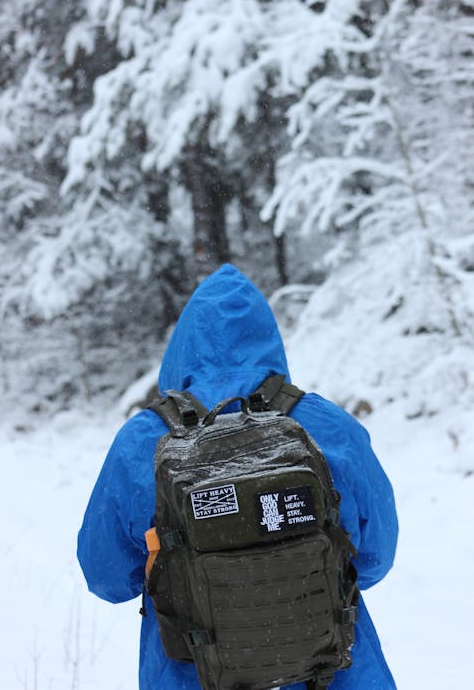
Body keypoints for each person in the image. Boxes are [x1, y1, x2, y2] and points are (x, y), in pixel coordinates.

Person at [78, 263, 398, 689]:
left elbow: (108, 576)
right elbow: (375, 557)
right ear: (268, 341)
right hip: (333, 672)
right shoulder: (326, 426)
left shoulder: (143, 442)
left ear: (182, 349)